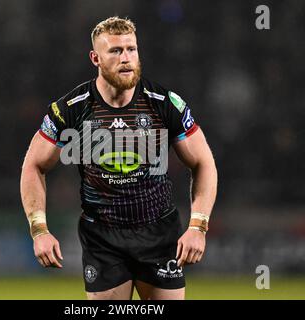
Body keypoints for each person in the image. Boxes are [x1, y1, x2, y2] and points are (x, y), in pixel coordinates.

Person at [20, 16, 217, 300]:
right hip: (103, 238)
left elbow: (204, 163)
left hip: (158, 232)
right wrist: (39, 230)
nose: (126, 58)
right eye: (115, 51)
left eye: (131, 49)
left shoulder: (163, 103)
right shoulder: (71, 109)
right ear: (95, 58)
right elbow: (33, 165)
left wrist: (198, 225)